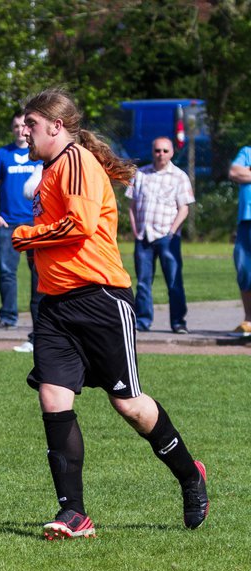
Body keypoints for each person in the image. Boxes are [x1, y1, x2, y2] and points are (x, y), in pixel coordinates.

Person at [11, 89, 207, 540]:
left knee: (130, 406)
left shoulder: (77, 161)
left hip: (99, 300)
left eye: (33, 125)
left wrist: (27, 234)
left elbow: (78, 225)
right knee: (53, 399)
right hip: (57, 306)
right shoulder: (49, 169)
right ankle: (74, 514)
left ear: (56, 127)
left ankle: (190, 474)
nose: (26, 133)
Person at [126, 136, 195, 333]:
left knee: (174, 282)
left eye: (165, 151)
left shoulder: (179, 176)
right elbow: (132, 206)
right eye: (157, 150)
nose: (161, 155)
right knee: (143, 283)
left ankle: (178, 322)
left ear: (172, 152)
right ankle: (142, 321)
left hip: (168, 237)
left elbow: (184, 209)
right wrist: (136, 230)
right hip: (144, 237)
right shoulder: (141, 174)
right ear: (152, 151)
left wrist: (171, 231)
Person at [0, 111, 42, 347]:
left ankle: (40, 325)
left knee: (38, 276)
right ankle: (8, 317)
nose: (20, 130)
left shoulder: (39, 154)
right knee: (7, 272)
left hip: (33, 223)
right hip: (8, 223)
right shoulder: (2, 154)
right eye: (16, 126)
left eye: (24, 125)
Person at [227, 143, 251, 336]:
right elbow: (234, 172)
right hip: (246, 220)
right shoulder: (246, 152)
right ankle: (248, 320)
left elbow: (242, 174)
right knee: (244, 269)